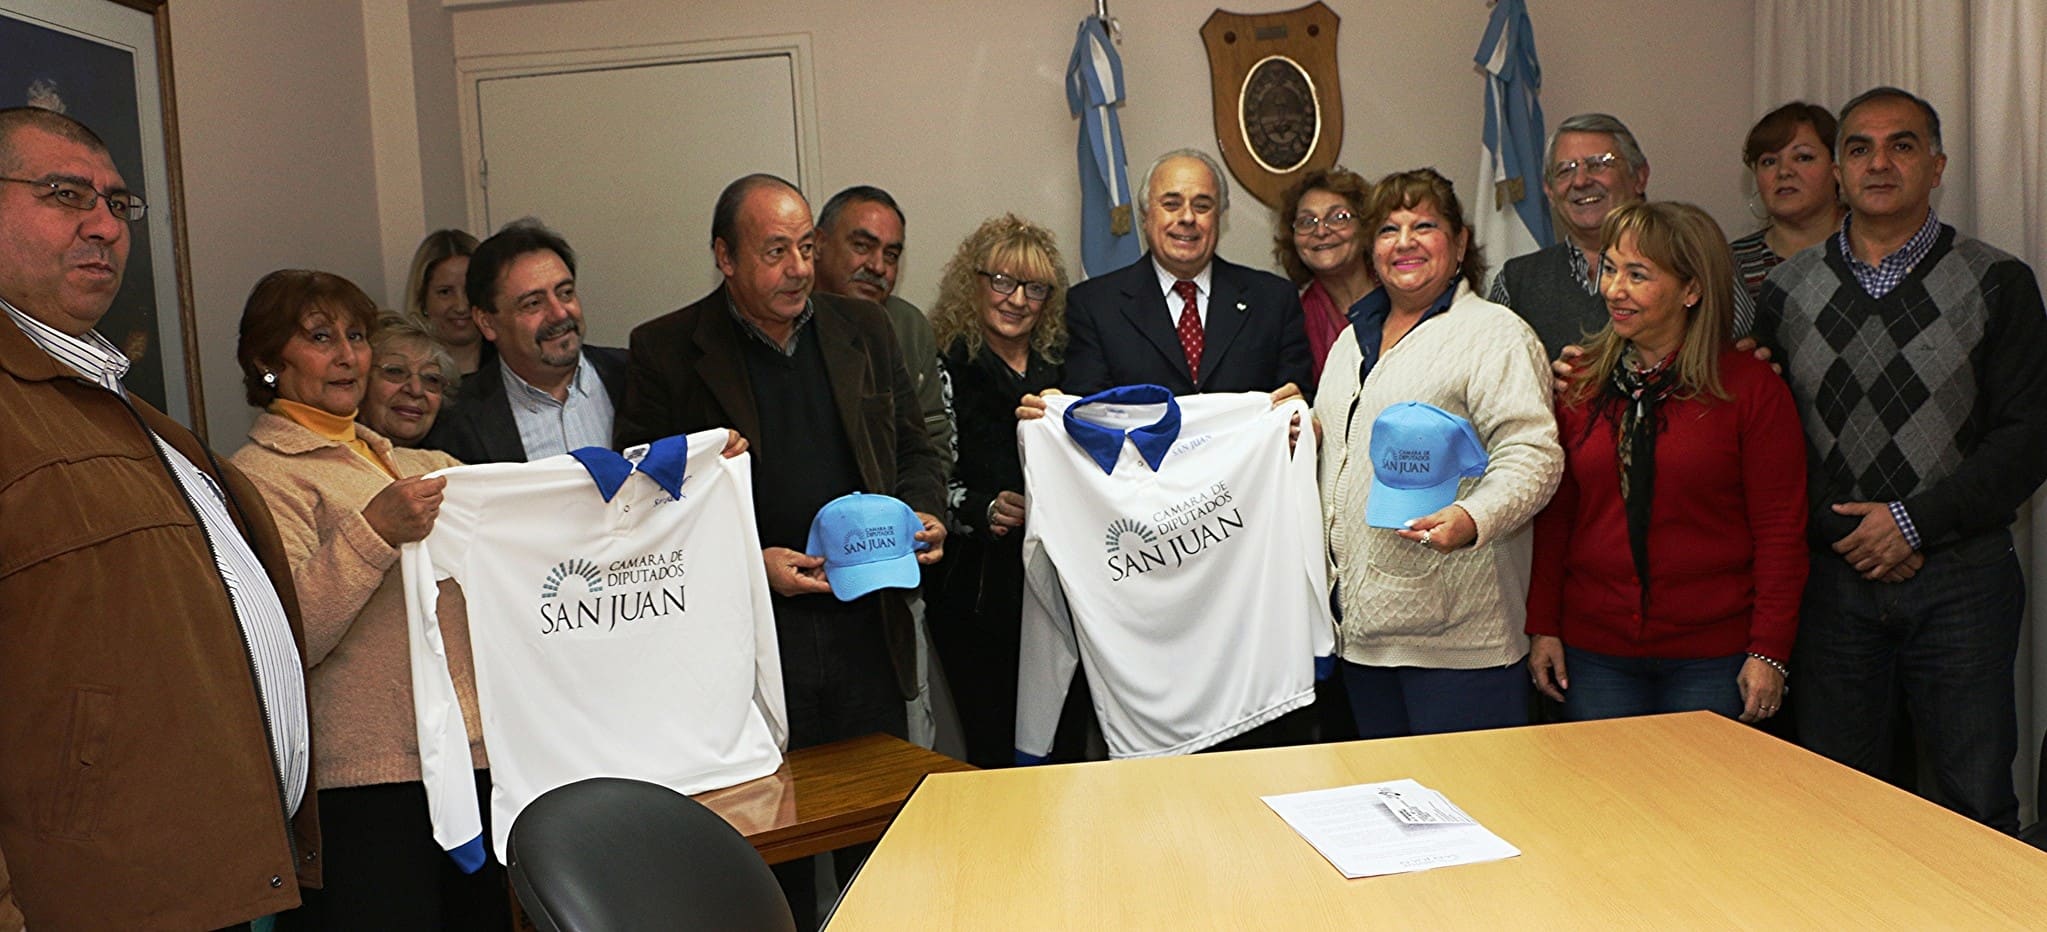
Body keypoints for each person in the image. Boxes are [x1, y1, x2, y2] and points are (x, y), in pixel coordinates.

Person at [0, 105, 318, 932]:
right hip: (105, 901)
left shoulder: (125, 407)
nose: (104, 225)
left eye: (117, 203)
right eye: (66, 194)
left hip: (234, 880)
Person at [613, 173, 946, 929]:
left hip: (867, 625)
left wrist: (924, 508)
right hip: (751, 646)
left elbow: (914, 450)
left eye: (805, 247)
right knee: (771, 852)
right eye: (775, 251)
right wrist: (746, 562)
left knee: (886, 844)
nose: (798, 268)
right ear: (725, 258)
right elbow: (639, 511)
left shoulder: (864, 328)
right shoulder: (665, 351)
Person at [1754, 87, 2047, 833]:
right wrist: (1845, 528)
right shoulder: (1784, 289)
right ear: (1840, 173)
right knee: (1835, 804)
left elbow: (2027, 434)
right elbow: (1770, 437)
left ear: (1936, 163)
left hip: (1962, 580)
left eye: (1902, 145)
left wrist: (1912, 523)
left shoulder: (1996, 281)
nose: (1878, 163)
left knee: (1971, 799)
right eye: (1859, 148)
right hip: (1834, 581)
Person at [226, 269, 504, 930]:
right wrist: (374, 532)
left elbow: (548, 518)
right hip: (364, 787)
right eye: (321, 337)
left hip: (471, 765)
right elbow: (289, 635)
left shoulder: (419, 466)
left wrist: (684, 473)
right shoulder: (258, 476)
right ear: (268, 360)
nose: (348, 354)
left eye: (356, 335)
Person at [1527, 202, 1807, 723]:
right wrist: (1544, 624)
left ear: (1692, 289)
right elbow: (1558, 513)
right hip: (1595, 652)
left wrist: (1769, 650)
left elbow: (1780, 531)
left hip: (1712, 655)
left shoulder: (1749, 388)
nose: (1614, 289)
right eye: (1609, 269)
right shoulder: (1579, 382)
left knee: (1702, 804)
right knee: (1601, 802)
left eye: (1638, 275)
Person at [1313, 168, 1562, 740]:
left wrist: (1473, 517)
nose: (1404, 242)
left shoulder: (1493, 334)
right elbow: (1346, 450)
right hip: (1362, 636)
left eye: (1424, 225)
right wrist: (1301, 426)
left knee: (1469, 813)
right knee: (1387, 808)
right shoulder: (1352, 339)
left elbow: (1533, 453)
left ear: (1459, 244)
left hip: (1458, 642)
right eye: (1388, 229)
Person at [925, 214, 1089, 769]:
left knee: (1066, 746)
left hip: (1065, 587)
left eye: (1035, 288)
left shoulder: (1067, 367)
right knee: (995, 749)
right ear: (973, 284)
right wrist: (982, 507)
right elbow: (924, 475)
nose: (1017, 299)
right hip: (977, 593)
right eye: (1002, 281)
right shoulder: (943, 366)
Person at [812, 184, 951, 748]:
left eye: (891, 254)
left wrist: (925, 512)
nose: (877, 266)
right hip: (805, 586)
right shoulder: (784, 326)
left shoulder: (906, 327)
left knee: (906, 744)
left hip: (892, 578)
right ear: (816, 246)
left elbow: (931, 444)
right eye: (863, 246)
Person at [1490, 113, 1755, 358]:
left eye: (1598, 164)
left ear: (1639, 177)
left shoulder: (1697, 259)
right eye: (1565, 170)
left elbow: (1745, 353)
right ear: (1549, 190)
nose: (1580, 181)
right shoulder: (1515, 282)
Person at [1062, 147, 1312, 399]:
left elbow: (1296, 401)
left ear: (1219, 218)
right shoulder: (1093, 306)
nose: (1187, 217)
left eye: (1202, 206)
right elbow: (1089, 414)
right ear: (1145, 216)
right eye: (1171, 204)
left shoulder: (1273, 301)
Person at [420, 219, 627, 464]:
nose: (560, 313)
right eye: (533, 303)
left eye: (565, 293)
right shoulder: (456, 420)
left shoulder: (634, 374)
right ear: (487, 322)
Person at [1731, 102, 1846, 301]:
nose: (1784, 171)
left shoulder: (1876, 248)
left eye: (1803, 157)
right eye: (1769, 161)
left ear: (1837, 167)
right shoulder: (1729, 266)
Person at [1272, 166, 1374, 383]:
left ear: (1365, 227)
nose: (1321, 231)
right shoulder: (1293, 321)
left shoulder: (1402, 296)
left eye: (1338, 217)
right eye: (1307, 222)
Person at [359, 311, 458, 447]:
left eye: (431, 379)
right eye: (395, 371)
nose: (416, 390)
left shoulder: (448, 463)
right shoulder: (329, 461)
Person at [403, 229, 485, 375]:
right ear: (422, 299)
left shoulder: (514, 363)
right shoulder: (405, 373)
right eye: (445, 292)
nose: (461, 306)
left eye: (470, 290)